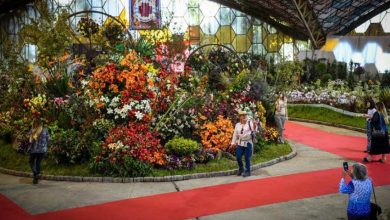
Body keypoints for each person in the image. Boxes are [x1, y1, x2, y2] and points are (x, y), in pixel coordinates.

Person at [231, 110, 257, 177]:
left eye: (245, 115)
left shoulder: (249, 123)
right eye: (243, 115)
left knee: (247, 157)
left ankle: (248, 171)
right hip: (240, 143)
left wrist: (255, 125)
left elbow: (254, 129)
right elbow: (235, 134)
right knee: (238, 156)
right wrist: (233, 143)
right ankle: (241, 168)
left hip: (248, 143)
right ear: (240, 117)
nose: (244, 116)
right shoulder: (237, 125)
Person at [28, 120, 50, 184]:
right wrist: (46, 146)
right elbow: (48, 139)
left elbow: (29, 140)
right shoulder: (45, 130)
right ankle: (36, 175)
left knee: (31, 161)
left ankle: (35, 173)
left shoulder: (32, 130)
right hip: (42, 150)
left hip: (34, 150)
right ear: (41, 124)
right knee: (38, 162)